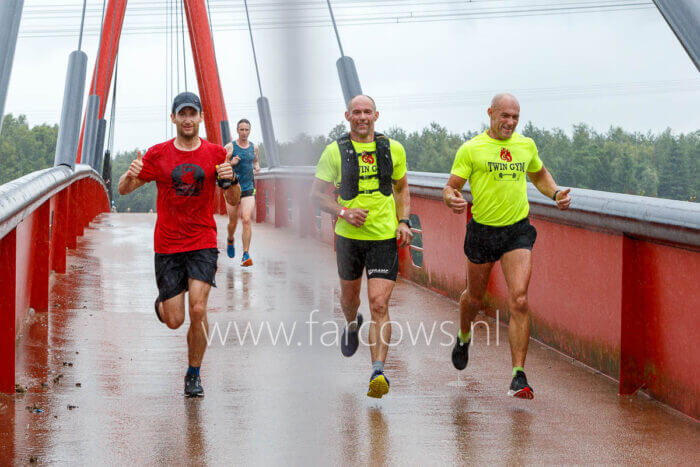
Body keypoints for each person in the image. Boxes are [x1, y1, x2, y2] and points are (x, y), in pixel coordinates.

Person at [443, 93, 571, 399]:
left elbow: (539, 175)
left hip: (517, 231)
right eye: (505, 116)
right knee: (474, 298)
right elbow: (451, 187)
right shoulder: (471, 149)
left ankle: (518, 375)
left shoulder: (525, 146)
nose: (510, 123)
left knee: (520, 300)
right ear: (490, 113)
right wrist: (453, 199)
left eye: (515, 117)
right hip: (483, 232)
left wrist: (555, 194)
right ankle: (463, 335)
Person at [118, 92, 241, 397]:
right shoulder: (158, 154)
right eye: (182, 114)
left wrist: (232, 179)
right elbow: (122, 190)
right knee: (175, 320)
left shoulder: (215, 155)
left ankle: (193, 373)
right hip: (168, 244)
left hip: (201, 240)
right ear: (173, 118)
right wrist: (130, 174)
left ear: (200, 118)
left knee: (198, 308)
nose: (188, 119)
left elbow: (233, 200)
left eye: (193, 114)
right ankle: (162, 305)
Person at [311, 94, 412, 399]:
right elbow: (316, 195)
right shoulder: (334, 152)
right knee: (350, 298)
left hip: (382, 237)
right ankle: (352, 323)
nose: (362, 117)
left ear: (376, 115)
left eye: (367, 112)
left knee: (379, 304)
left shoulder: (393, 149)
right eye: (357, 112)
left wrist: (403, 221)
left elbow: (402, 188)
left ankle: (378, 372)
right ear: (348, 116)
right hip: (349, 238)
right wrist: (344, 211)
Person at [224, 119, 260, 266]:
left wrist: (257, 167)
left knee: (246, 219)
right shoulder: (229, 147)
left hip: (248, 188)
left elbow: (255, 161)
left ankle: (246, 254)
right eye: (242, 129)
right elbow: (221, 165)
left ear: (249, 131)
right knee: (233, 222)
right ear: (237, 130)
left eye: (247, 130)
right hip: (232, 188)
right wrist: (231, 163)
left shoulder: (254, 147)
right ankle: (230, 239)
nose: (244, 133)